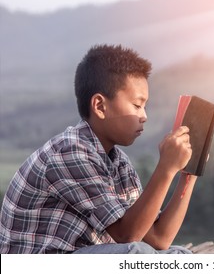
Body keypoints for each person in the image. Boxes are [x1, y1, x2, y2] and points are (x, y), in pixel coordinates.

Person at [0, 44, 196, 254]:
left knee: (178, 255)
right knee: (137, 254)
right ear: (100, 106)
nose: (144, 116)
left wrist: (189, 172)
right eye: (137, 105)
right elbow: (127, 235)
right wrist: (166, 168)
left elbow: (158, 238)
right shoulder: (70, 152)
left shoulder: (119, 163)